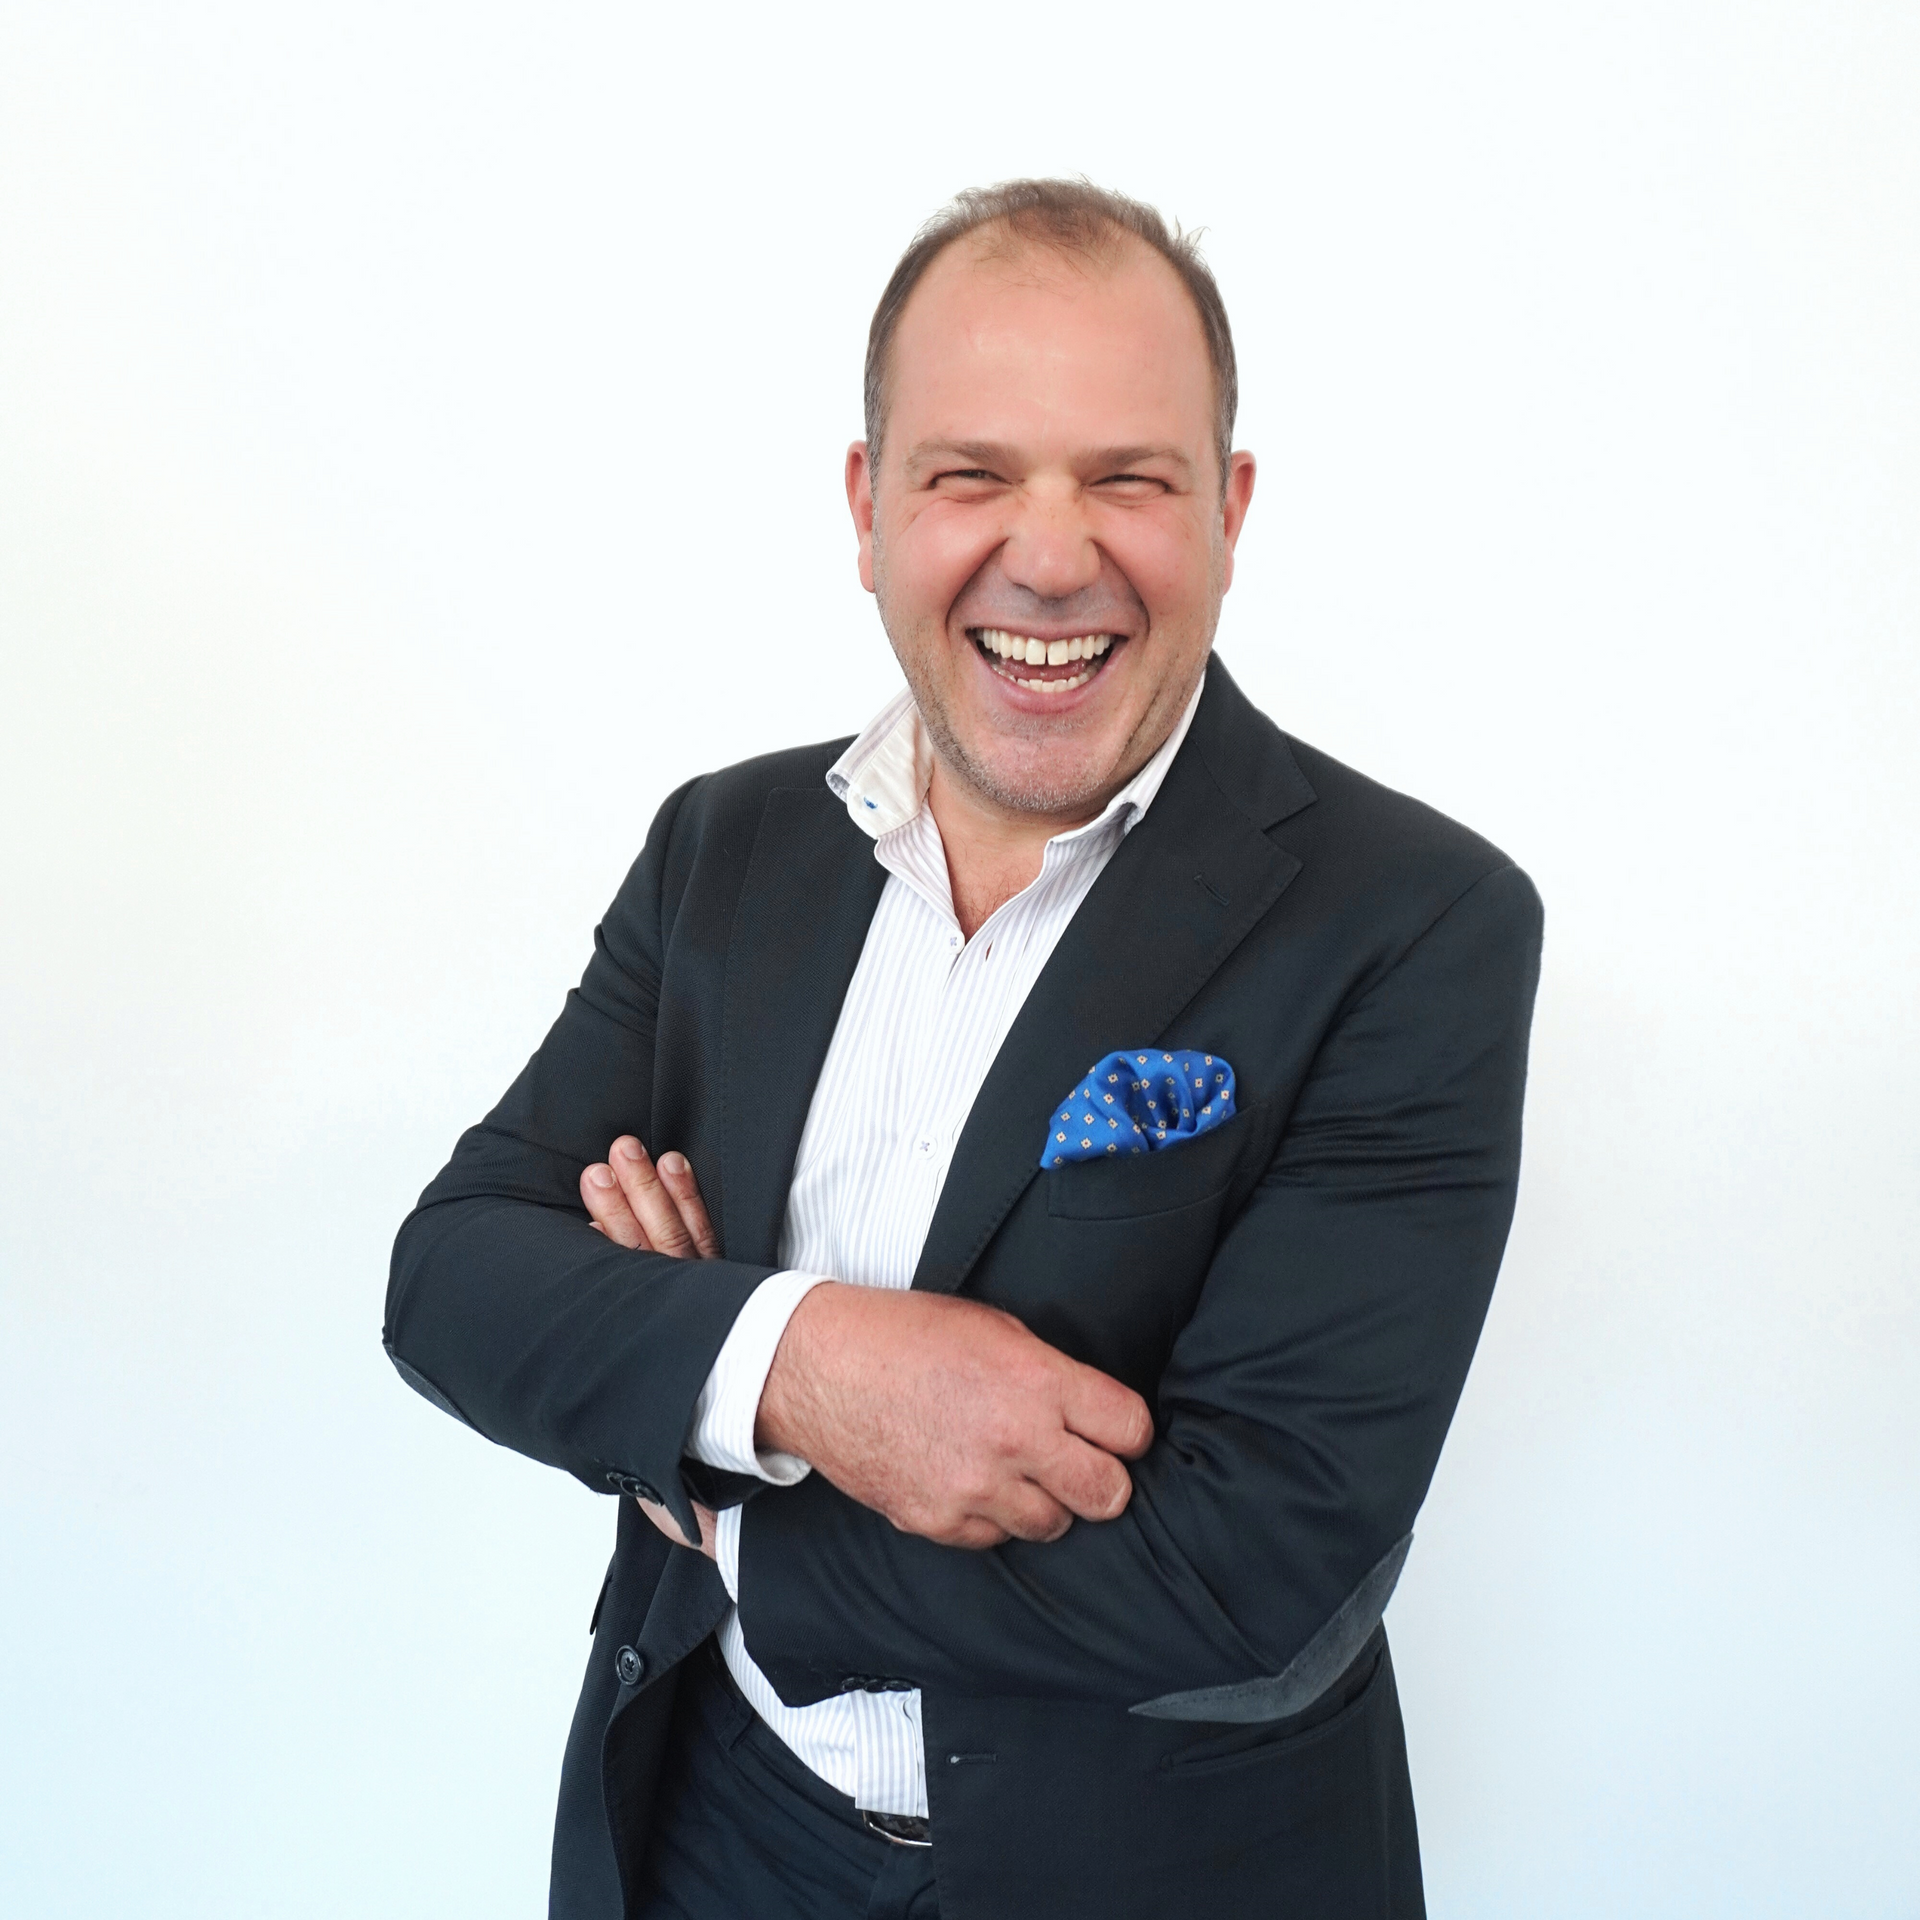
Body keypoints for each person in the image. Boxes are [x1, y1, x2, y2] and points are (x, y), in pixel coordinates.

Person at [385, 178, 1543, 1920]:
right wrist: (807, 1367)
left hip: (1153, 1878)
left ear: (1229, 510)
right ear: (870, 508)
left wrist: (710, 1461)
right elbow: (457, 1276)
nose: (1053, 552)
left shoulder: (1420, 920)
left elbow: (1261, 1551)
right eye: (971, 473)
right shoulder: (726, 845)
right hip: (715, 1827)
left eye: (1130, 478)